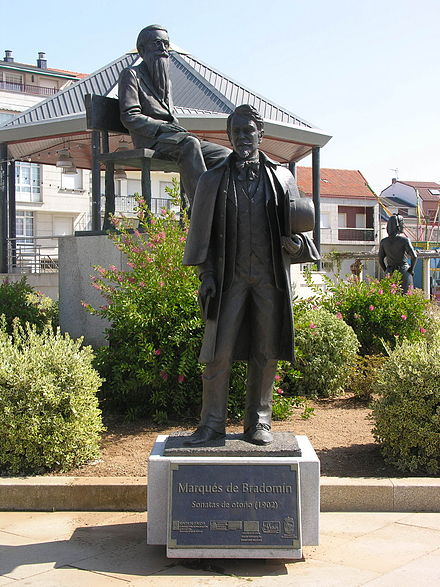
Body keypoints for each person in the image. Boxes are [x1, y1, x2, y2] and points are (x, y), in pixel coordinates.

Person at [183, 104, 320, 446]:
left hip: (269, 279)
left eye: (249, 131)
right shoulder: (212, 180)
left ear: (261, 135)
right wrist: (206, 274)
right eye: (237, 132)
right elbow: (201, 234)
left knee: (265, 350)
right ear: (229, 137)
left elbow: (300, 229)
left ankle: (259, 421)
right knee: (218, 353)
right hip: (228, 279)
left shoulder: (283, 178)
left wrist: (296, 246)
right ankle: (211, 424)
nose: (243, 137)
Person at [118, 24, 231, 206]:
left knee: (225, 155)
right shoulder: (131, 74)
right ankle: (203, 206)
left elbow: (170, 117)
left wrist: (175, 129)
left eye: (166, 44)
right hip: (150, 139)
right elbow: (129, 116)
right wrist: (162, 126)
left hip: (172, 138)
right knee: (190, 144)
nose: (163, 49)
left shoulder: (166, 82)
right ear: (142, 50)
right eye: (157, 44)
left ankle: (224, 204)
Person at [379, 213, 417, 293]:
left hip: (390, 271)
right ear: (398, 226)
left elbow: (380, 260)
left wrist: (386, 270)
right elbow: (414, 256)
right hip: (404, 271)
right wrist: (411, 270)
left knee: (389, 296)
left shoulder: (383, 242)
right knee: (406, 295)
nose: (403, 226)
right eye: (402, 224)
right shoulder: (405, 240)